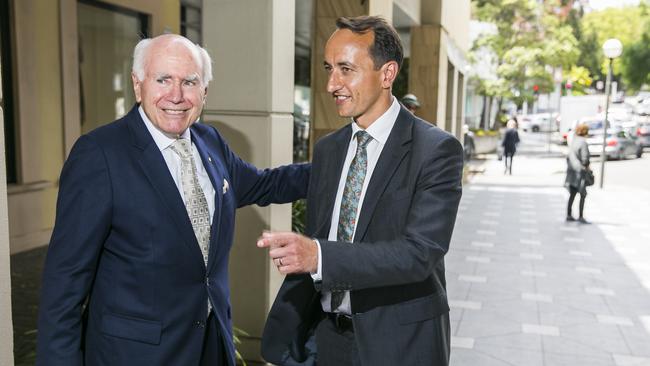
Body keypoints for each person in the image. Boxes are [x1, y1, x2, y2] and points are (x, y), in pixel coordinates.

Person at [36, 34, 309, 366]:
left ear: (204, 92)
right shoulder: (99, 155)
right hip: (136, 356)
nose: (176, 95)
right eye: (163, 79)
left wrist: (340, 161)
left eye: (189, 82)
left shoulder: (209, 142)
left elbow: (265, 184)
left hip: (210, 344)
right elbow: (63, 285)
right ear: (138, 85)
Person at [258, 16, 463, 366]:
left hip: (399, 343)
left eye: (345, 69)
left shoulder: (436, 150)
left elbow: (419, 254)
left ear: (387, 74)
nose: (331, 84)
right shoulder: (328, 149)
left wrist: (318, 257)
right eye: (328, 68)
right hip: (327, 340)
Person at [565, 123, 590, 223]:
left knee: (572, 194)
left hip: (571, 171)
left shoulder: (574, 140)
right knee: (583, 194)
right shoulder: (583, 142)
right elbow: (585, 159)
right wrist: (587, 166)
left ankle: (569, 214)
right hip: (580, 172)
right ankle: (581, 216)